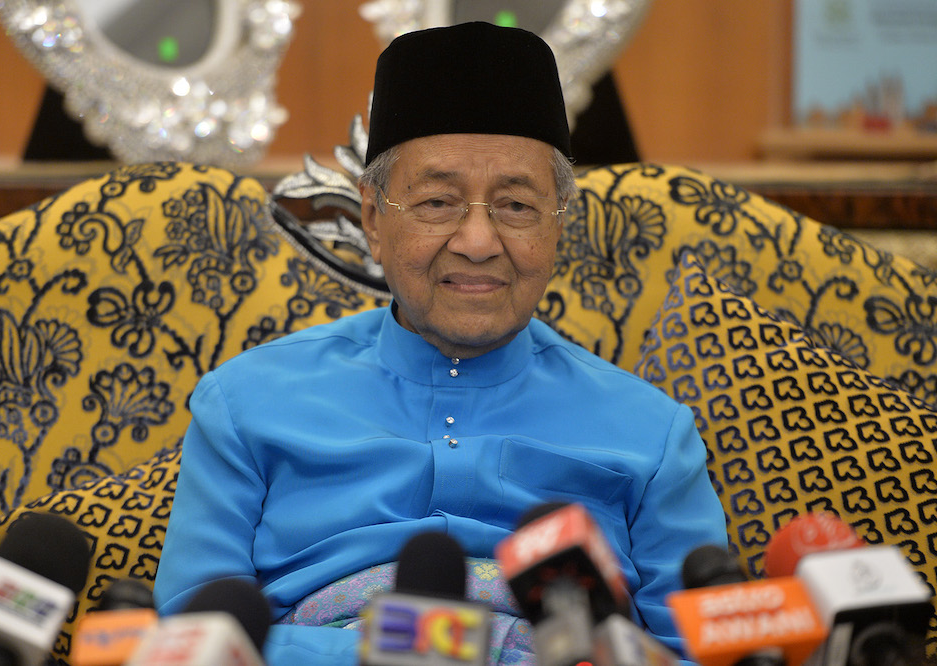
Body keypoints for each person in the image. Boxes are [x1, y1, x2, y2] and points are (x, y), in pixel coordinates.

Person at [153, 21, 727, 665]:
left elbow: (698, 654)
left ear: (558, 224)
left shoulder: (654, 437)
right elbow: (189, 640)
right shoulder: (244, 403)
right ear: (373, 218)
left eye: (516, 206)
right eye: (436, 202)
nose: (478, 242)